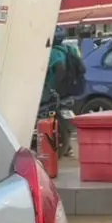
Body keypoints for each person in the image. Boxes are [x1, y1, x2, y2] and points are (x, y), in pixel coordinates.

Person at [41, 27, 86, 157]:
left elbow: (59, 68)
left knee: (38, 111)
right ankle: (67, 147)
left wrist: (52, 86)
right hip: (69, 90)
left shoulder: (54, 52)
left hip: (53, 89)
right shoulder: (70, 49)